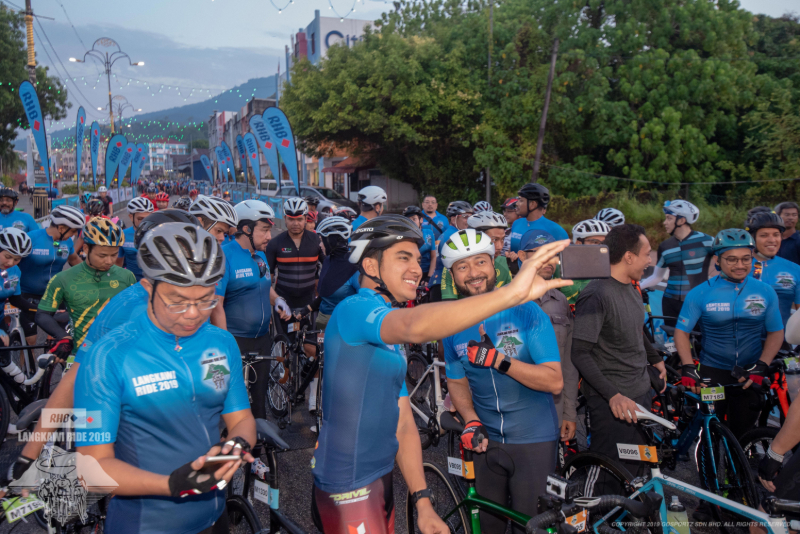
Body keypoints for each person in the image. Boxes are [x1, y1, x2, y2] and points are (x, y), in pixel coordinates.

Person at [311, 214, 571, 534]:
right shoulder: (355, 309)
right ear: (370, 266)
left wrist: (422, 501)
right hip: (348, 485)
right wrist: (511, 294)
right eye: (403, 258)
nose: (417, 269)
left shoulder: (386, 328)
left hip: (379, 477)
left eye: (416, 259)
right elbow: (415, 325)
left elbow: (403, 421)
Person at [73, 222, 256, 534]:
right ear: (148, 287)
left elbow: (241, 419)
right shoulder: (107, 356)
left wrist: (235, 446)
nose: (193, 313)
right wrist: (171, 484)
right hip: (145, 524)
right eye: (177, 300)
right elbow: (91, 470)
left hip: (214, 517)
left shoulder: (221, 342)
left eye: (206, 299)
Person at [439, 228, 563, 533]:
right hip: (485, 441)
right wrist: (470, 419)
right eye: (462, 267)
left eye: (480, 262)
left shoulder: (527, 311)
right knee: (487, 526)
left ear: (494, 265)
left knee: (530, 527)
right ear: (453, 276)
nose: (473, 273)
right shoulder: (451, 322)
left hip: (532, 440)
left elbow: (554, 381)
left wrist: (499, 361)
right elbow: (456, 381)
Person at [571, 224, 666, 467]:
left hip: (639, 394)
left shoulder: (631, 287)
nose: (650, 261)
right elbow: (579, 352)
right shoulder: (596, 294)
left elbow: (635, 329)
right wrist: (613, 395)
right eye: (647, 254)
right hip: (614, 404)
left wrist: (655, 359)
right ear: (629, 257)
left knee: (637, 470)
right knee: (610, 474)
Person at [675, 229, 784, 439]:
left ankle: (740, 459)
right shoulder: (700, 293)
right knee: (711, 436)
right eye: (732, 259)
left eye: (746, 259)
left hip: (749, 373)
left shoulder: (765, 291)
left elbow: (776, 332)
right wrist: (688, 367)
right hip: (712, 372)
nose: (740, 265)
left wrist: (762, 365)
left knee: (743, 435)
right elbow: (681, 332)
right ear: (717, 260)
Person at [213, 200, 291, 419]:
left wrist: (277, 299)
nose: (269, 236)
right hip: (237, 340)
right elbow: (216, 305)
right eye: (264, 230)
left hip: (262, 339)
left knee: (258, 402)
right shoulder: (224, 256)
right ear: (246, 229)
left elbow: (264, 285)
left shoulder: (260, 255)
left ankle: (257, 440)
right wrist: (225, 345)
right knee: (235, 404)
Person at [34, 218, 135, 363]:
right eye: (102, 255)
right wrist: (63, 336)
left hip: (119, 353)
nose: (109, 261)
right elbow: (42, 314)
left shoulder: (127, 276)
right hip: (82, 356)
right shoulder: (63, 279)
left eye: (114, 254)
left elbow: (135, 313)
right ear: (86, 249)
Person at [517, 230, 579, 444]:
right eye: (540, 253)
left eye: (554, 254)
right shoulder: (503, 300)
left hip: (554, 408)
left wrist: (569, 412)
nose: (549, 261)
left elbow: (568, 364)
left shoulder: (561, 301)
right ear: (522, 256)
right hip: (516, 412)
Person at [15, 205, 84, 346]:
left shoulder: (67, 242)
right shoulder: (31, 238)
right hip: (29, 295)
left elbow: (75, 261)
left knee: (62, 337)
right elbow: (11, 263)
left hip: (55, 294)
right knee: (30, 342)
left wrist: (95, 275)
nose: (74, 235)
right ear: (62, 228)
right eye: (73, 231)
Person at [640, 200, 714, 327]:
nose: (665, 222)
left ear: (681, 220)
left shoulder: (707, 241)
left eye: (669, 218)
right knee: (673, 338)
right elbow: (657, 276)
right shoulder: (665, 246)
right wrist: (638, 287)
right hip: (670, 303)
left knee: (698, 337)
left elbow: (725, 261)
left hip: (697, 302)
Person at [265, 198, 322, 336]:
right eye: (291, 219)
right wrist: (267, 310)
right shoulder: (275, 243)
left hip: (309, 304)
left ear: (306, 219)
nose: (295, 223)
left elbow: (328, 269)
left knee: (309, 345)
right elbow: (266, 281)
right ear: (284, 218)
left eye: (300, 219)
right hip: (284, 304)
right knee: (285, 345)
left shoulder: (316, 240)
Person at [746, 211, 800, 329]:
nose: (772, 240)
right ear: (752, 239)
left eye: (776, 235)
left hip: (782, 338)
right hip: (743, 338)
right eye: (764, 235)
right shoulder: (738, 267)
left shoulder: (795, 269)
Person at [441, 211, 512, 300]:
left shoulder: (505, 262)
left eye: (502, 239)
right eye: (494, 239)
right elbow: (449, 303)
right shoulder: (452, 267)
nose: (500, 246)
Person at [559, 219, 612, 305]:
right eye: (595, 242)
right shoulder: (562, 267)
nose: (601, 246)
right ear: (578, 243)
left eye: (604, 242)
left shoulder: (612, 268)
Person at [431, 201, 472, 301]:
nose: (469, 220)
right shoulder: (454, 236)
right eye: (465, 217)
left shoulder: (447, 233)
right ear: (453, 219)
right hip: (445, 284)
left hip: (437, 281)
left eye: (471, 217)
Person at [509, 183, 568, 252]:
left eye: (521, 200)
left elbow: (567, 256)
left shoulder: (556, 230)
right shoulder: (516, 223)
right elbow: (513, 249)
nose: (517, 203)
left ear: (532, 204)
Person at [0, 228, 32, 347]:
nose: (10, 263)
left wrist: (41, 310)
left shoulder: (14, 270)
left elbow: (16, 300)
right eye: (7, 256)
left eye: (17, 259)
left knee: (5, 356)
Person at [116, 197, 155, 281]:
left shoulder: (157, 233)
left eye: (148, 218)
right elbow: (118, 265)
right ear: (131, 217)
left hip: (153, 283)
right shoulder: (122, 235)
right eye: (140, 219)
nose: (144, 222)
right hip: (131, 282)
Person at [403, 206, 437, 284]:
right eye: (408, 220)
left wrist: (429, 277)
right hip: (411, 273)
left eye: (414, 219)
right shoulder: (403, 237)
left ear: (421, 220)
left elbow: (433, 257)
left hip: (428, 272)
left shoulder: (429, 233)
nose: (411, 222)